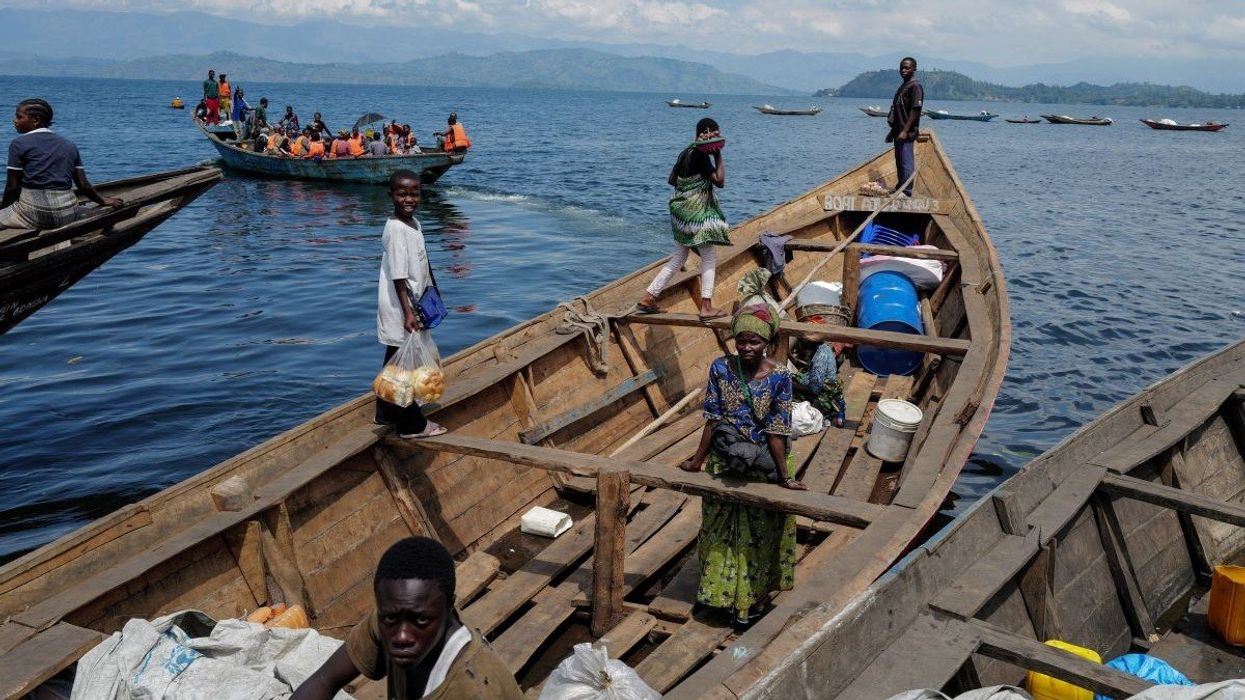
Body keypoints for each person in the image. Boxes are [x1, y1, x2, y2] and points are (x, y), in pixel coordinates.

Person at [679, 302, 805, 625]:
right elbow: (712, 418)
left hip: (763, 466)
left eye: (755, 342)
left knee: (757, 537)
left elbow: (778, 431)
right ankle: (716, 597)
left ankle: (748, 603)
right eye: (742, 341)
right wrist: (697, 461)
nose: (747, 348)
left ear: (767, 343)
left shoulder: (779, 378)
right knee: (718, 531)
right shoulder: (720, 369)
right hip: (726, 463)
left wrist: (784, 477)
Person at [292, 537, 521, 699]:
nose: (402, 636)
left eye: (421, 621)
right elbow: (324, 680)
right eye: (390, 618)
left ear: (449, 607)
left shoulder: (473, 689)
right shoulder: (393, 622)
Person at [373, 170, 447, 439]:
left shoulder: (413, 223)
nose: (408, 198)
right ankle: (410, 425)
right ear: (391, 195)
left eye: (414, 193)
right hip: (402, 307)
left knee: (395, 358)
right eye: (402, 193)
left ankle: (384, 411)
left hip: (415, 303)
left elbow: (423, 263)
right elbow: (399, 276)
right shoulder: (395, 228)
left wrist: (434, 295)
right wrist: (407, 312)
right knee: (404, 367)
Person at [635, 117, 729, 319]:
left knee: (679, 256)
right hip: (695, 216)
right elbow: (720, 182)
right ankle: (706, 306)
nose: (718, 136)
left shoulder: (685, 152)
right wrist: (718, 155)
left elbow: (671, 180)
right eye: (716, 133)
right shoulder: (702, 156)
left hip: (679, 214)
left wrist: (691, 185)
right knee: (709, 256)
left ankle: (649, 297)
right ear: (709, 133)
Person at [2, 99, 122, 231]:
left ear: (36, 120)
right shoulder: (69, 145)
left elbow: (12, 188)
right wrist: (103, 201)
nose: (14, 120)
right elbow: (83, 184)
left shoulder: (19, 144)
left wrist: (4, 209)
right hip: (67, 214)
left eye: (19, 116)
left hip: (36, 215)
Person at [885, 57, 923, 197]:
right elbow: (896, 110)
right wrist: (892, 131)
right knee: (899, 161)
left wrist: (905, 130)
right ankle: (900, 187)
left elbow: (915, 110)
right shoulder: (903, 86)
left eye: (907, 68)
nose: (903, 70)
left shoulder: (915, 86)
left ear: (914, 69)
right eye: (901, 67)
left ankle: (906, 191)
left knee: (906, 162)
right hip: (897, 131)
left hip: (907, 132)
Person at [791, 340, 846, 428]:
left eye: (801, 340)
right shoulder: (821, 349)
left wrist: (792, 385)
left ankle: (827, 413)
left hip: (823, 398)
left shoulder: (821, 356)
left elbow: (814, 389)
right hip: (824, 390)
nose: (800, 342)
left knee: (785, 395)